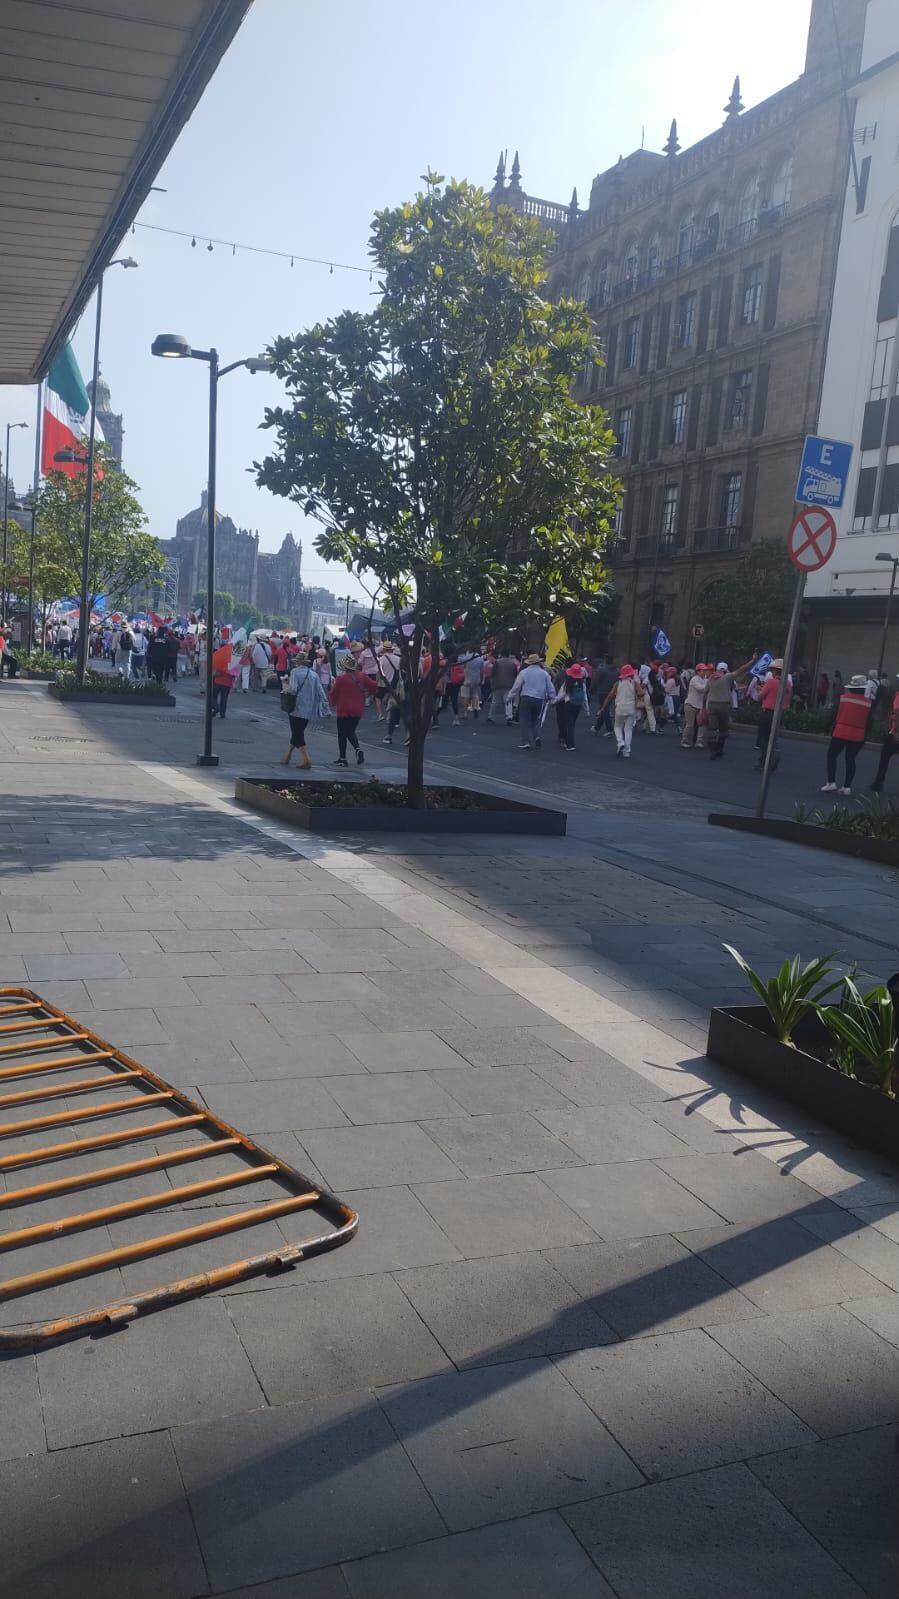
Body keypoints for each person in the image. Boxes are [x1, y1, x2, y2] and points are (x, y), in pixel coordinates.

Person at [822, 674, 871, 794]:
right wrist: (865, 735)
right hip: (858, 734)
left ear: (851, 687)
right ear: (864, 688)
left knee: (832, 755)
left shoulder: (843, 698)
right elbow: (870, 722)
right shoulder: (868, 703)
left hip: (840, 731)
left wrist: (827, 727)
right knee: (850, 760)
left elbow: (833, 715)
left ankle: (831, 783)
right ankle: (847, 787)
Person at [328, 654, 378, 766]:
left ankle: (342, 758)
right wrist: (368, 694)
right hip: (358, 709)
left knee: (342, 733)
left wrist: (332, 703)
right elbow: (374, 686)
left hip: (344, 709)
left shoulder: (340, 679)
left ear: (345, 667)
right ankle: (358, 750)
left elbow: (333, 693)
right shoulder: (362, 676)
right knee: (350, 731)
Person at [281, 652, 329, 768]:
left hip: (296, 707)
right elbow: (321, 692)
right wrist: (326, 707)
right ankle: (287, 755)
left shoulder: (295, 672)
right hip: (309, 709)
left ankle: (306, 759)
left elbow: (292, 689)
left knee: (297, 733)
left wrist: (285, 683)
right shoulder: (313, 674)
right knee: (298, 731)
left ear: (297, 662)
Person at [705, 656, 755, 759]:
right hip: (724, 705)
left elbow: (705, 693)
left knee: (712, 728)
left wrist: (703, 707)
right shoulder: (728, 677)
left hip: (712, 705)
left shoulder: (711, 679)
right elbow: (741, 669)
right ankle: (720, 748)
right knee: (723, 729)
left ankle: (712, 750)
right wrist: (752, 661)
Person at [753, 658, 791, 770]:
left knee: (762, 738)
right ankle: (764, 760)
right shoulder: (788, 684)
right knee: (772, 738)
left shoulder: (771, 681)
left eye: (773, 670)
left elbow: (759, 697)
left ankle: (770, 757)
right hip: (780, 713)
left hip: (768, 713)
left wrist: (760, 690)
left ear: (776, 671)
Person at [510, 653, 554, 749]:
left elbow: (517, 686)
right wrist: (552, 697)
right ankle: (537, 736)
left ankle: (526, 741)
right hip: (539, 698)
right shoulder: (544, 673)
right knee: (535, 719)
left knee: (524, 719)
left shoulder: (524, 672)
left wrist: (510, 696)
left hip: (526, 697)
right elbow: (550, 687)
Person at [598, 662, 639, 757]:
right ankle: (627, 751)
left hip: (620, 707)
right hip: (631, 708)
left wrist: (603, 707)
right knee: (628, 730)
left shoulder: (618, 683)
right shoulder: (634, 683)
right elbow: (641, 693)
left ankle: (620, 743)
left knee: (617, 727)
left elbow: (610, 696)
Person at [870, 675, 899, 794]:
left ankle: (878, 782)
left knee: (885, 756)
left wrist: (895, 732)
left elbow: (897, 713)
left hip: (895, 734)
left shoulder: (898, 696)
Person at [556, 662, 589, 750]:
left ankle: (570, 744)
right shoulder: (582, 683)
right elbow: (585, 697)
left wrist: (554, 701)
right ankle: (569, 742)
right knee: (572, 723)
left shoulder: (568, 682)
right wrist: (587, 711)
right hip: (578, 705)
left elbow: (561, 695)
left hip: (569, 704)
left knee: (569, 724)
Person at [681, 663, 710, 749]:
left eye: (705, 670)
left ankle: (699, 741)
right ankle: (684, 741)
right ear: (698, 671)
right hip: (690, 704)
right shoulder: (694, 679)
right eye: (702, 670)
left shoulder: (706, 680)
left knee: (701, 724)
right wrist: (709, 686)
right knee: (689, 724)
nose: (704, 672)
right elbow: (700, 688)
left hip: (700, 705)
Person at [486, 649, 519, 724]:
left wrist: (492, 682)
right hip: (509, 684)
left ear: (501, 654)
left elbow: (493, 673)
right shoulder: (512, 663)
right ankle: (509, 717)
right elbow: (515, 674)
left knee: (495, 702)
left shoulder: (497, 662)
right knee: (508, 701)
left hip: (497, 684)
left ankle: (491, 717)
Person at [211, 633, 238, 718]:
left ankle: (216, 707)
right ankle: (223, 714)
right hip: (228, 682)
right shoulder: (233, 659)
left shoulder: (218, 656)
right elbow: (235, 672)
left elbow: (214, 667)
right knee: (224, 698)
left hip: (218, 679)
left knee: (213, 696)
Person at [591, 655, 618, 736]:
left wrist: (590, 689)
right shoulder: (617, 671)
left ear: (606, 660)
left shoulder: (601, 670)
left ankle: (609, 729)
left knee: (604, 709)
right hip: (612, 692)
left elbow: (595, 681)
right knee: (604, 709)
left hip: (602, 692)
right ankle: (596, 728)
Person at [459, 648, 484, 718]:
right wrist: (481, 680)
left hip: (467, 678)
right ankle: (475, 708)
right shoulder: (480, 658)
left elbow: (462, 666)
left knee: (466, 696)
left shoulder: (466, 657)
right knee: (475, 695)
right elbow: (482, 670)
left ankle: (465, 713)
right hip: (476, 679)